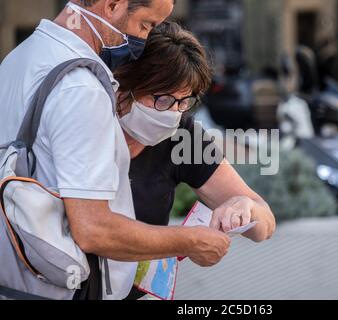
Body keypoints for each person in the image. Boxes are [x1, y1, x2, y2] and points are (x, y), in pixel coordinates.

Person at [0, 0, 230, 300]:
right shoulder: (82, 87)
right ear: (112, 5)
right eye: (145, 25)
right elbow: (93, 229)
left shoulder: (20, 58)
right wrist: (188, 241)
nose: (144, 40)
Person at [113, 22, 277, 299]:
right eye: (163, 99)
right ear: (125, 88)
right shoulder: (93, 130)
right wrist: (187, 241)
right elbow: (95, 231)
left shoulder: (181, 136)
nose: (173, 112)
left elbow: (265, 224)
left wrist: (246, 207)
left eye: (184, 101)